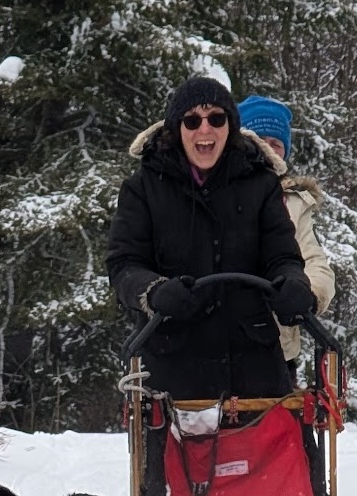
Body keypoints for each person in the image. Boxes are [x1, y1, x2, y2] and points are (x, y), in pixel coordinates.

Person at [106, 76, 318, 402]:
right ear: (178, 128)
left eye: (216, 118)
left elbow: (283, 257)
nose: (204, 130)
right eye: (192, 120)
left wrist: (293, 284)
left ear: (229, 126)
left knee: (290, 452)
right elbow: (123, 265)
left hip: (255, 367)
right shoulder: (143, 188)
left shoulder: (260, 184)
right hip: (170, 369)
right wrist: (155, 290)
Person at [237, 94, 335, 367]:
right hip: (208, 351)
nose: (267, 149)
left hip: (275, 349)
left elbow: (315, 263)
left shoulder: (293, 205)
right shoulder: (209, 193)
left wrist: (307, 294)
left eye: (275, 144)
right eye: (257, 140)